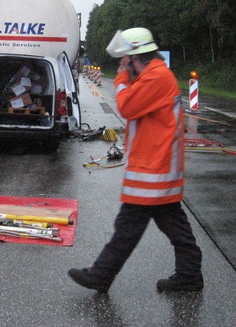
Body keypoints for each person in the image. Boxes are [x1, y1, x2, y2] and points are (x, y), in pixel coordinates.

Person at [68, 27, 203, 293]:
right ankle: (189, 275)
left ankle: (101, 275)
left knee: (127, 227)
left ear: (134, 57)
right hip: (157, 169)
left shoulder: (156, 77)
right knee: (173, 226)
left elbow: (127, 107)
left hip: (153, 171)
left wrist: (121, 76)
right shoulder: (155, 75)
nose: (122, 63)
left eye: (124, 58)